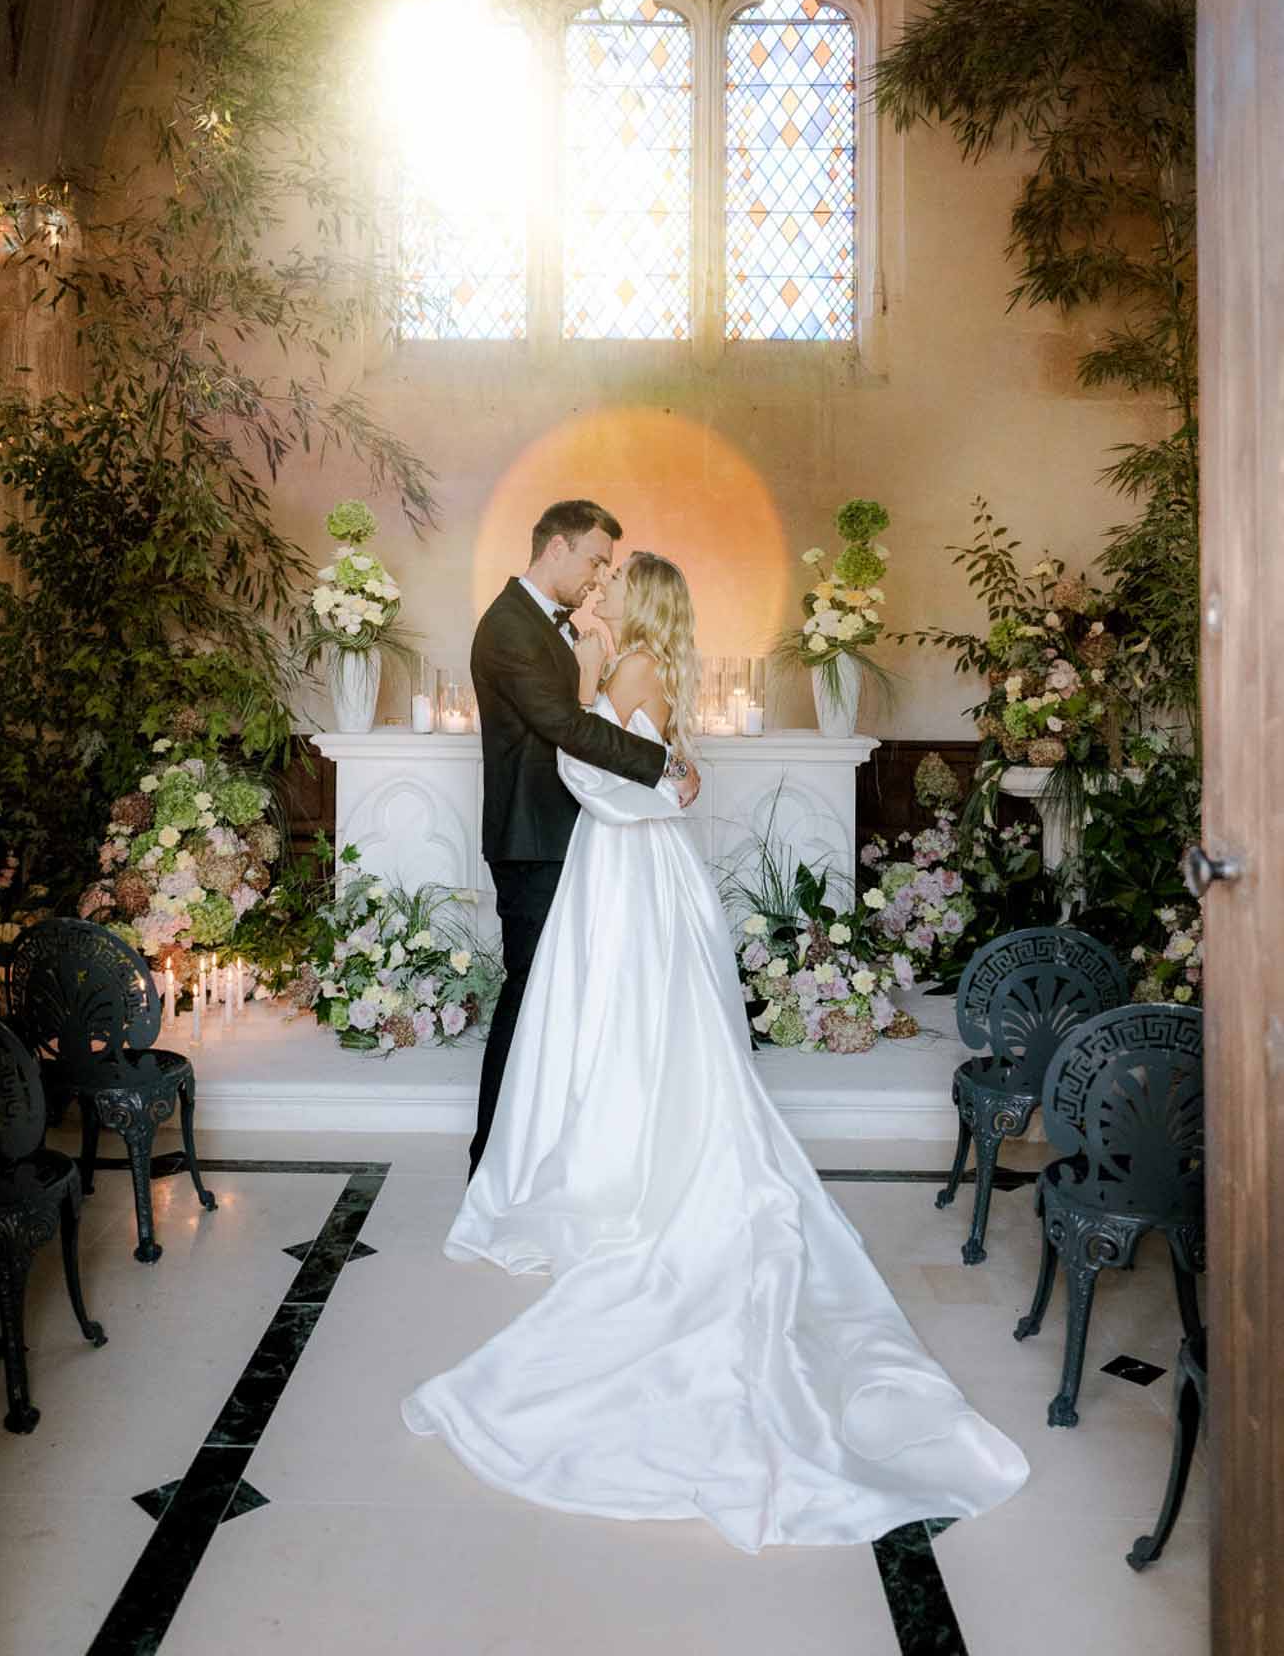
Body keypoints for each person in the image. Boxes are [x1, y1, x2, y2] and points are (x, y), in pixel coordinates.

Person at [403, 551, 1029, 1552]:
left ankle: (632, 1150)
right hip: (633, 869)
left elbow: (597, 773)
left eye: (612, 588)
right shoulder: (628, 664)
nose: (596, 595)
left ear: (637, 605)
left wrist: (645, 745)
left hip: (632, 871)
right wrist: (640, 732)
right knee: (630, 1016)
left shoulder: (631, 668)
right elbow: (604, 767)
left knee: (633, 1018)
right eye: (591, 581)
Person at [466, 500, 700, 1179]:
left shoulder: (559, 629)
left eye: (611, 569)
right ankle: (494, 1157)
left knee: (564, 998)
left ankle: (555, 1147)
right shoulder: (509, 627)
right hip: (534, 840)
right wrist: (668, 764)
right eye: (597, 560)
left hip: (579, 839)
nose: (601, 578)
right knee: (531, 993)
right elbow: (567, 728)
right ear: (557, 548)